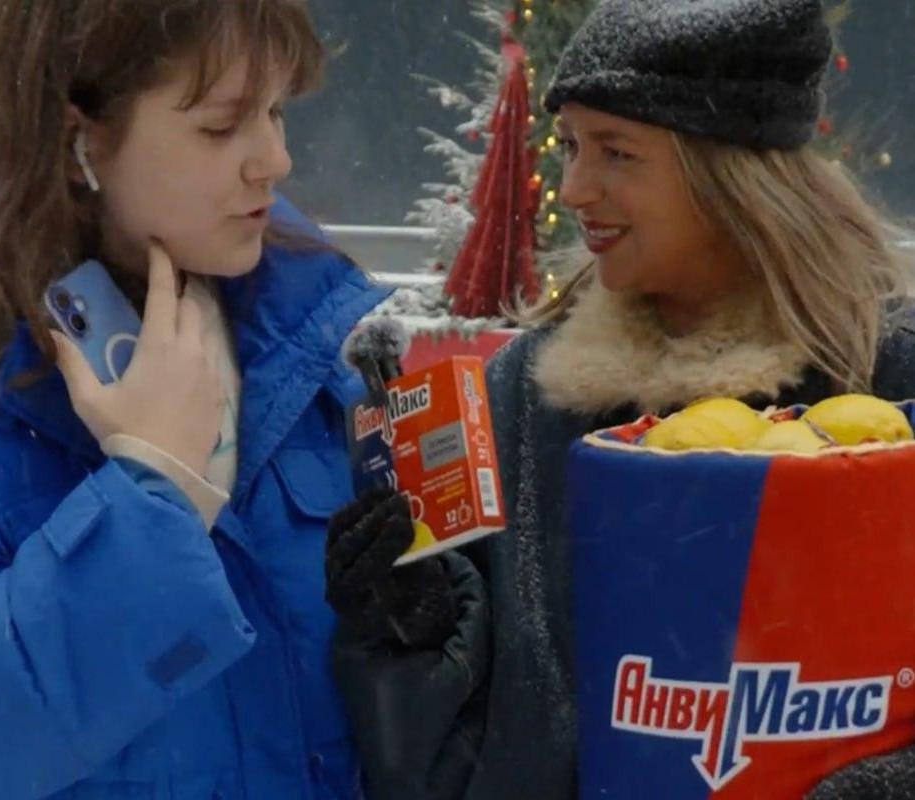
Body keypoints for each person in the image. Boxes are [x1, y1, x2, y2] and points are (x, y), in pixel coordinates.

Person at [325, 1, 915, 798]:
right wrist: (413, 627)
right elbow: (459, 759)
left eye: (616, 152)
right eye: (570, 145)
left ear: (730, 174)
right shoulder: (523, 395)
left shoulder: (888, 380)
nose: (573, 188)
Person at [0, 1, 391, 798]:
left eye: (276, 111)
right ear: (81, 140)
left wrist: (428, 627)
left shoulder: (306, 322)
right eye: (221, 127)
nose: (274, 160)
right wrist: (154, 494)